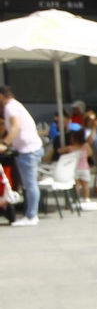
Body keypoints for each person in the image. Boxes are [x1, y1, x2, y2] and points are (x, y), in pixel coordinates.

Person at [0, 84, 43, 226]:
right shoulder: (15, 105)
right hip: (30, 148)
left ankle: (31, 216)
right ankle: (30, 214)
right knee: (28, 185)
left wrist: (5, 143)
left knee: (30, 185)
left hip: (28, 150)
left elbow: (16, 126)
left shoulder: (10, 107)